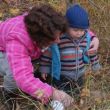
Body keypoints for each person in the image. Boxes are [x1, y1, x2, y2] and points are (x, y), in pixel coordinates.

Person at [0, 4, 75, 109]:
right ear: (40, 36)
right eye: (55, 38)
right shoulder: (17, 40)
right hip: (2, 50)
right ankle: (7, 93)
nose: (58, 40)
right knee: (14, 73)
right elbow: (23, 79)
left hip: (27, 45)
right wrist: (53, 93)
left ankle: (37, 83)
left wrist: (94, 38)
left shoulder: (45, 24)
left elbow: (78, 29)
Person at [39, 4, 101, 105]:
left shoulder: (86, 39)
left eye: (82, 30)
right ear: (66, 26)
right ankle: (58, 104)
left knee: (77, 91)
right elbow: (49, 53)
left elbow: (91, 52)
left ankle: (76, 100)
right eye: (75, 30)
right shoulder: (60, 39)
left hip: (80, 74)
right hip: (63, 75)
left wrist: (95, 65)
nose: (79, 33)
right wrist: (44, 68)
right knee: (62, 95)